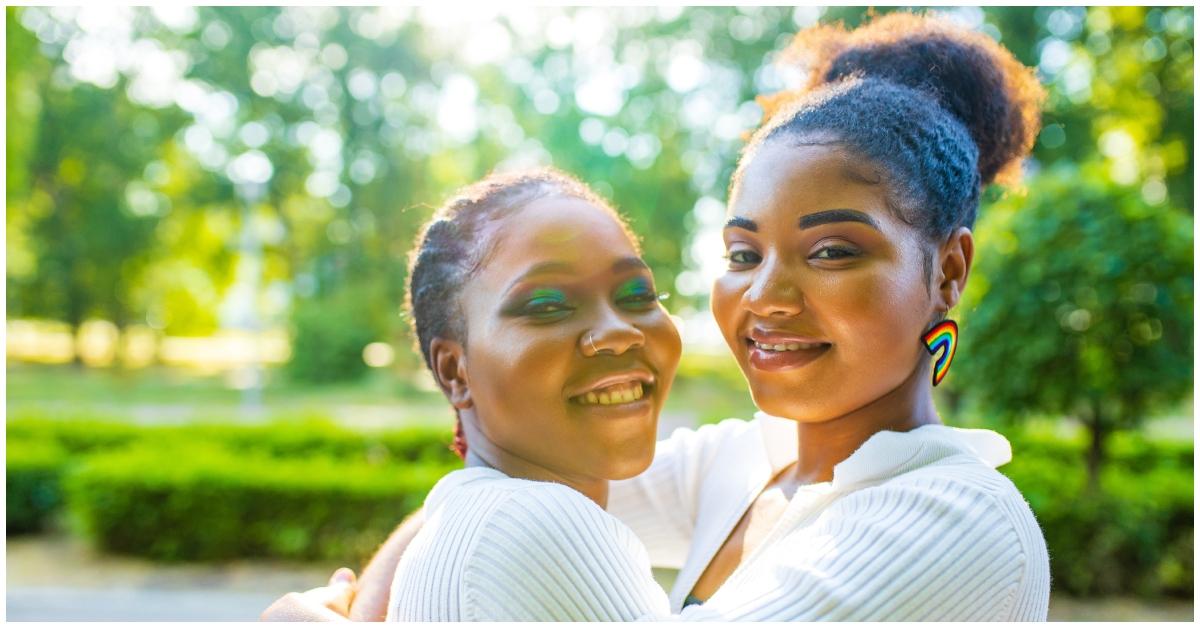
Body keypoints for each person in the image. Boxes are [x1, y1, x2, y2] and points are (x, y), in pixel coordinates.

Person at [266, 11, 1051, 622]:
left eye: (833, 252)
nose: (766, 298)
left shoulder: (959, 518)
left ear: (947, 271)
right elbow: (500, 483)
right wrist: (364, 609)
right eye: (744, 255)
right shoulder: (742, 465)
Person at [265, 168, 682, 621]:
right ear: (453, 372)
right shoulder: (543, 522)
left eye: (638, 293)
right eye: (546, 306)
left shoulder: (467, 516)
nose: (619, 332)